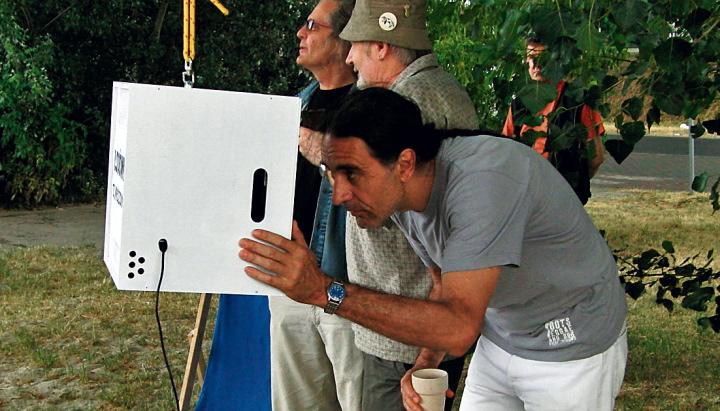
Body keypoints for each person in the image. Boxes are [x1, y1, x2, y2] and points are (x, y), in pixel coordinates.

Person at [238, 87, 628, 411]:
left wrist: (324, 291)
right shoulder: (401, 195)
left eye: (352, 173)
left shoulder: (483, 183)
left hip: (571, 342)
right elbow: (442, 284)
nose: (339, 194)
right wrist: (425, 362)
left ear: (404, 163)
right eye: (331, 173)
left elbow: (458, 328)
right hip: (504, 334)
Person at [295, 1, 478, 409]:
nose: (350, 58)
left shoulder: (408, 102)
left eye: (357, 46)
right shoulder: (437, 90)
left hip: (404, 334)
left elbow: (378, 194)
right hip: (416, 327)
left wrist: (312, 146)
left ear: (381, 47)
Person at [269, 1, 364, 410]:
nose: (300, 33)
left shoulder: (372, 108)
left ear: (344, 40)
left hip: (347, 289)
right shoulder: (294, 105)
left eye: (312, 25)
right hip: (290, 283)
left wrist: (321, 152)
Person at [502, 36, 605, 205]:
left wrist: (573, 186)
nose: (535, 65)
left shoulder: (578, 100)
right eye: (531, 57)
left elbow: (596, 158)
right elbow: (506, 150)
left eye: (542, 58)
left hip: (563, 198)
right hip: (526, 195)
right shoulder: (519, 102)